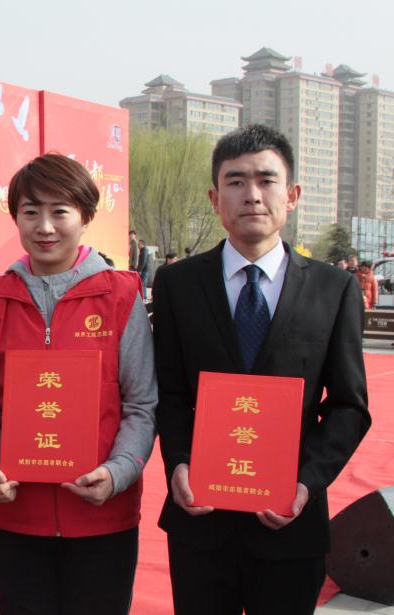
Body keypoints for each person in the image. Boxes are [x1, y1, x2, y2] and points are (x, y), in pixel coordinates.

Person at [154, 124, 370, 615]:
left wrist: (305, 483)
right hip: (201, 521)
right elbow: (169, 393)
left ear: (291, 195)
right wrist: (180, 463)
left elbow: (348, 406)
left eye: (266, 180)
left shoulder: (334, 290)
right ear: (215, 199)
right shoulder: (177, 284)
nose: (251, 194)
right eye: (235, 181)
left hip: (291, 522)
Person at [0, 153, 157, 615]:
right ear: (16, 218)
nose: (45, 227)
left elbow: (140, 403)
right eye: (31, 212)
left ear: (86, 216)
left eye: (60, 211)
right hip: (16, 519)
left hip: (102, 520)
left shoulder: (121, 294)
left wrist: (118, 472)